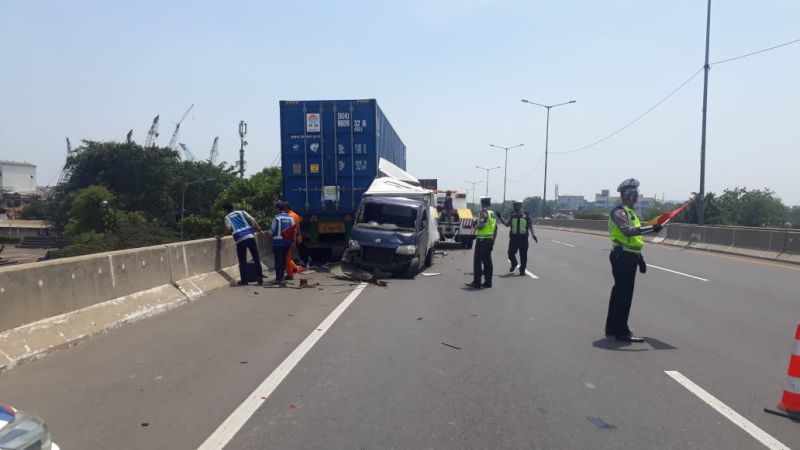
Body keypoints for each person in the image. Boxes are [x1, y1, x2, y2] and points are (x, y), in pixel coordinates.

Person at [605, 178, 662, 342]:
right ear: (622, 196)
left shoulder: (631, 213)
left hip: (629, 256)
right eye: (629, 194)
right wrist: (651, 228)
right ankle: (621, 331)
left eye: (635, 194)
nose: (633, 197)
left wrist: (640, 258)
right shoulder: (619, 212)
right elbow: (628, 232)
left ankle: (612, 327)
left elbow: (635, 240)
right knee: (624, 295)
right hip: (622, 256)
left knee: (619, 293)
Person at [219, 203, 263, 285]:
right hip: (250, 237)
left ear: (225, 210)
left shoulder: (227, 217)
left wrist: (220, 236)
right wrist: (259, 229)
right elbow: (252, 220)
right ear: (233, 208)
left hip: (240, 240)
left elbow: (228, 229)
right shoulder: (242, 212)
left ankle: (244, 281)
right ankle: (259, 278)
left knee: (242, 261)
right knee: (256, 258)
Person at [466, 196, 498, 289]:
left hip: (482, 240)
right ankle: (488, 282)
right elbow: (495, 229)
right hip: (489, 240)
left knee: (477, 261)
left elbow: (482, 225)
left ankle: (477, 282)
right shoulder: (492, 213)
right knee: (487, 262)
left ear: (482, 203)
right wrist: (493, 242)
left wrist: (475, 226)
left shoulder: (484, 212)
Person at [502, 201, 538, 275]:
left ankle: (522, 270)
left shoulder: (526, 215)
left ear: (521, 206)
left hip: (523, 238)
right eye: (516, 205)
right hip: (514, 238)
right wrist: (501, 218)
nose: (517, 207)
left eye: (518, 205)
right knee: (510, 253)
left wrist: (533, 235)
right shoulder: (512, 215)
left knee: (523, 255)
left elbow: (530, 225)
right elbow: (507, 224)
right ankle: (514, 263)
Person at [269, 201, 297, 287]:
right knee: (284, 260)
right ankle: (281, 278)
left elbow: (272, 230)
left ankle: (279, 279)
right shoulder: (291, 218)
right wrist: (293, 242)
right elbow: (294, 231)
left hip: (278, 242)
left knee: (278, 261)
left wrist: (269, 237)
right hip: (287, 242)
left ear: (278, 209)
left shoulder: (276, 217)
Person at [284, 202, 302, 280]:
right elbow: (297, 228)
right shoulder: (295, 215)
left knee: (287, 256)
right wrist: (299, 236)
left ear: (285, 208)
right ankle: (294, 268)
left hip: (288, 238)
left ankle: (289, 274)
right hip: (292, 238)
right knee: (288, 255)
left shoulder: (288, 216)